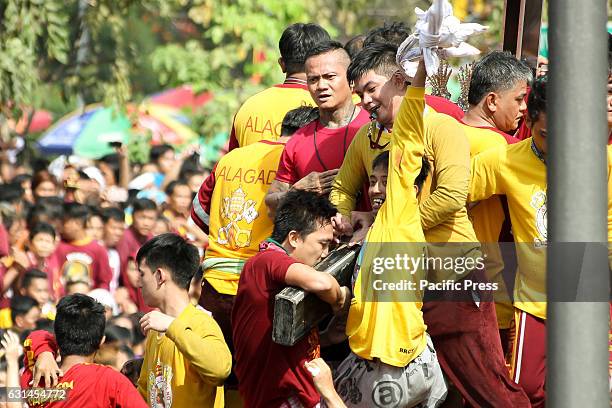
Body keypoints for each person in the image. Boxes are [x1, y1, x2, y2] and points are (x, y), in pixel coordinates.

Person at [333, 59, 446, 408]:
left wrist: (420, 77)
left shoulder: (400, 213)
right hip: (374, 358)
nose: (378, 189)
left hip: (394, 364)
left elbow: (408, 138)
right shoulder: (380, 224)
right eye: (373, 181)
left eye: (388, 180)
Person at [191, 106, 319, 354]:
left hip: (214, 287)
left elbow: (199, 212)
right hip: (262, 287)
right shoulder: (297, 160)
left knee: (219, 375)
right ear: (309, 133)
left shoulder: (231, 158)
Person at [468, 75, 550, 407]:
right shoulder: (505, 161)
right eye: (546, 133)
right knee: (525, 390)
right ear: (528, 121)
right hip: (536, 301)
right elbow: (447, 195)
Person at [231, 189, 349, 407]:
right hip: (281, 398)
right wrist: (340, 297)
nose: (325, 254)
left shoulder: (272, 266)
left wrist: (326, 337)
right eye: (322, 244)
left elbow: (277, 343)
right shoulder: (266, 260)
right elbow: (321, 283)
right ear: (294, 238)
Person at [461, 51, 533, 347]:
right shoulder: (505, 148)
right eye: (518, 99)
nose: (524, 108)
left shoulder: (442, 131)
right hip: (492, 288)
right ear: (491, 101)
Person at [266, 41, 370, 212]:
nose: (321, 86)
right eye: (313, 79)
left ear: (351, 79)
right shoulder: (298, 141)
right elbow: (271, 203)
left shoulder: (375, 127)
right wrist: (298, 191)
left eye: (330, 77)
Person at [136, 233, 231, 407]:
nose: (138, 283)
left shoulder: (201, 322)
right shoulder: (156, 327)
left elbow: (220, 369)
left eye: (142, 274)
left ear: (159, 276)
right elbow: (144, 391)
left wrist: (172, 326)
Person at [20, 294, 147, 407]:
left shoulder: (37, 377)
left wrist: (44, 352)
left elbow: (36, 336)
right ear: (101, 342)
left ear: (57, 338)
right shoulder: (109, 380)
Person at [228, 23, 330, 150]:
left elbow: (232, 159)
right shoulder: (326, 107)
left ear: (282, 64)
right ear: (325, 63)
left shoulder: (248, 106)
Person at [53, 203, 112, 291]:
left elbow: (104, 282)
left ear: (77, 223)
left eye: (64, 222)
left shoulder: (98, 249)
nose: (60, 226)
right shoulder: (57, 245)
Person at [100, 207, 126, 294]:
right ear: (103, 226)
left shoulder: (115, 255)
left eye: (121, 229)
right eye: (114, 228)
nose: (118, 233)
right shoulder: (95, 250)